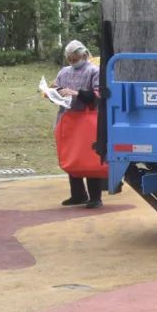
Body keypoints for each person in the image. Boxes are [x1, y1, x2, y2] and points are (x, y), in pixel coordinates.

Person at [52, 40, 104, 208]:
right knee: (71, 156)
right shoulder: (64, 72)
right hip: (67, 120)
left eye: (75, 59)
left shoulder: (94, 71)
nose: (72, 62)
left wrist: (76, 93)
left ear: (84, 55)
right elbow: (56, 88)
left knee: (89, 158)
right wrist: (53, 93)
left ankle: (95, 197)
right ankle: (78, 194)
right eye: (69, 59)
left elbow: (98, 95)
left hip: (87, 121)